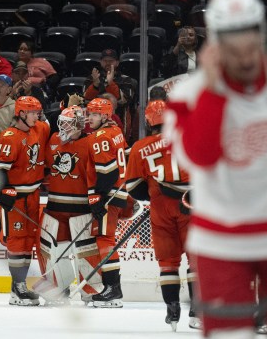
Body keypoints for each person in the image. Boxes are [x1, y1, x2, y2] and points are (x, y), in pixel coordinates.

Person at [164, 0, 267, 339]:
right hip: (220, 244)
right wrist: (215, 89)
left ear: (263, 36)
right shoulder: (185, 97)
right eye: (234, 49)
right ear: (217, 45)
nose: (246, 58)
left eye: (251, 45)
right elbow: (201, 156)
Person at [125, 100, 199, 331]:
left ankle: (172, 309)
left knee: (167, 263)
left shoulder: (139, 147)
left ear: (148, 121)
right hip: (190, 204)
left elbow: (133, 187)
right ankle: (197, 311)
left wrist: (154, 196)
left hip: (160, 208)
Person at [33, 105, 103, 305]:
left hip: (81, 209)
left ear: (79, 124)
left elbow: (97, 176)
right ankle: (58, 289)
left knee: (86, 251)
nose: (63, 127)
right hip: (54, 208)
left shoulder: (90, 143)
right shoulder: (54, 140)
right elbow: (44, 168)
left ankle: (90, 290)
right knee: (54, 252)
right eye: (61, 122)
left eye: (68, 123)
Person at [0, 96, 50, 306]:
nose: (37, 116)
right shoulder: (9, 137)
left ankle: (22, 285)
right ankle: (17, 288)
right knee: (17, 241)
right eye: (33, 113)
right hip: (15, 198)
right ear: (22, 113)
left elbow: (57, 125)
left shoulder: (39, 128)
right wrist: (4, 191)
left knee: (28, 240)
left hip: (33, 195)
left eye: (38, 113)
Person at [84, 97, 130, 308]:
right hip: (118, 193)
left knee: (105, 240)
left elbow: (107, 171)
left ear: (104, 116)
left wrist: (98, 198)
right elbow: (124, 157)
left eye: (93, 114)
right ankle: (113, 287)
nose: (89, 118)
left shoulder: (99, 136)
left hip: (109, 195)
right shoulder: (116, 131)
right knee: (106, 239)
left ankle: (113, 288)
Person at [84, 49, 137, 143]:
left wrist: (110, 83)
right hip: (94, 121)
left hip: (119, 118)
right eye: (105, 61)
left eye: (111, 61)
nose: (108, 63)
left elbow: (123, 100)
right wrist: (95, 85)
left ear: (117, 62)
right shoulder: (92, 78)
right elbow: (86, 101)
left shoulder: (127, 80)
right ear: (100, 62)